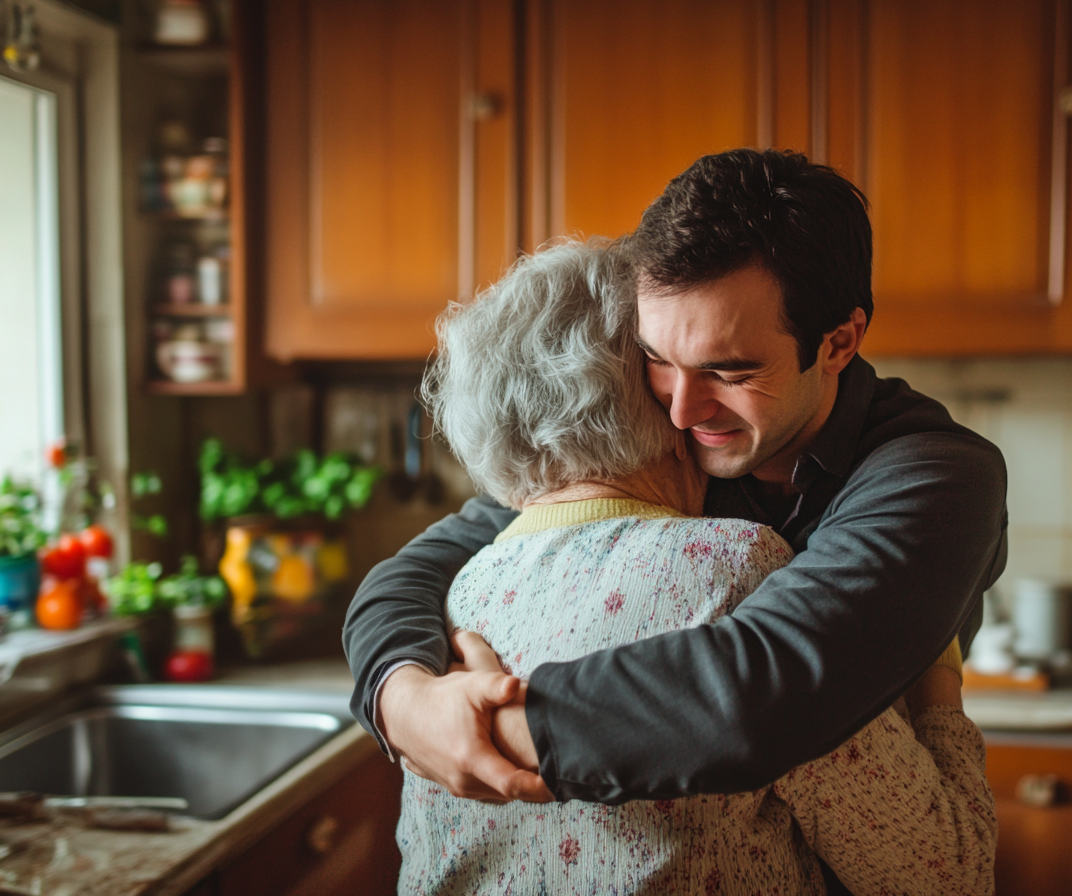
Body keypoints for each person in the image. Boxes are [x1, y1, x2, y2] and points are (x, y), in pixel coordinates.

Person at [346, 149, 1008, 817]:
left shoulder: (938, 477)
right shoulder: (671, 440)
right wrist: (403, 698)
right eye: (659, 359)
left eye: (730, 371)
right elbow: (421, 566)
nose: (683, 411)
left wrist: (499, 732)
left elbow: (767, 686)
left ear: (838, 343)